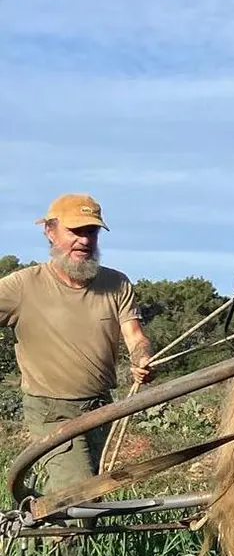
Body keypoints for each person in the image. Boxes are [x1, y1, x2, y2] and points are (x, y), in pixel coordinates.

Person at [0, 193, 154, 504]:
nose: (84, 240)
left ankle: (41, 542)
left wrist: (143, 358)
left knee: (90, 493)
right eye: (76, 231)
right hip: (52, 411)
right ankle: (63, 549)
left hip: (102, 408)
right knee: (80, 500)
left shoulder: (117, 284)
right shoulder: (21, 286)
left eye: (91, 232)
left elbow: (136, 337)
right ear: (50, 231)